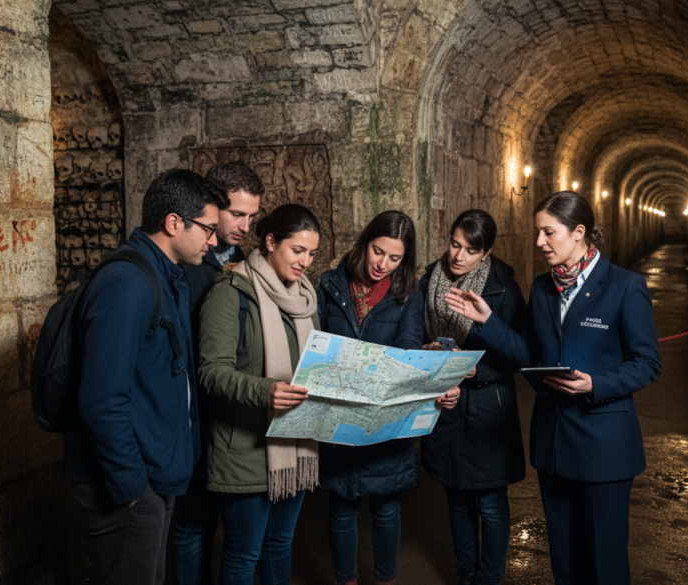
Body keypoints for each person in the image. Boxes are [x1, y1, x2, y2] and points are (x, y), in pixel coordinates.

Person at [445, 191, 662, 585]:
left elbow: (647, 365)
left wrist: (595, 384)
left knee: (604, 563)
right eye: (538, 232)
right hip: (554, 444)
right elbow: (530, 356)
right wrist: (489, 321)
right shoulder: (543, 288)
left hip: (604, 446)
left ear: (579, 232)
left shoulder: (625, 287)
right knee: (564, 560)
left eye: (549, 232)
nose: (540, 242)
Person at [63, 168, 229, 585]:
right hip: (129, 486)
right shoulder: (128, 284)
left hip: (153, 474)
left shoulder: (163, 275)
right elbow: (101, 399)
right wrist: (136, 492)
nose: (215, 240)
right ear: (174, 223)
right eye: (209, 228)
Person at [316, 210, 461, 585]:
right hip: (339, 411)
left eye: (394, 258)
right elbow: (315, 342)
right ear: (365, 243)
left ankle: (385, 581)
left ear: (405, 259)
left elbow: (408, 345)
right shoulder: (330, 284)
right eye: (377, 251)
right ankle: (346, 580)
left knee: (386, 507)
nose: (382, 264)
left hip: (384, 414)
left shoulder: (407, 293)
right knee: (341, 507)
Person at [197, 204, 323, 585]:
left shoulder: (306, 300)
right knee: (243, 553)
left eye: (312, 253)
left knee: (279, 544)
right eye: (297, 250)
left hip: (296, 443)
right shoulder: (230, 291)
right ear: (270, 242)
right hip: (245, 449)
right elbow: (211, 372)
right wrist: (266, 391)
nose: (306, 262)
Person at [420, 209, 527, 585]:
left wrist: (476, 370)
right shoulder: (430, 280)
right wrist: (429, 351)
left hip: (488, 411)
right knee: (457, 500)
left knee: (491, 506)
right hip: (446, 405)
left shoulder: (503, 289)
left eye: (470, 249)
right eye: (454, 244)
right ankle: (466, 577)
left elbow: (522, 354)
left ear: (487, 253)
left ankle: (489, 579)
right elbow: (416, 333)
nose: (458, 256)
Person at [175, 161, 264, 585]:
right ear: (212, 206)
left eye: (252, 216)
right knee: (193, 525)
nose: (245, 225)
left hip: (227, 414)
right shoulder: (185, 261)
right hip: (191, 413)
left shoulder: (239, 259)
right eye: (237, 214)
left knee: (221, 527)